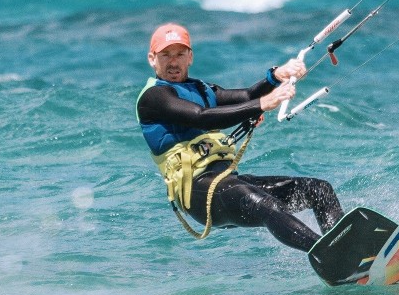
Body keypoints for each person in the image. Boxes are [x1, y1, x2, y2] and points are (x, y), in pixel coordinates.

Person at [136, 23, 344, 252]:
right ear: (152, 59)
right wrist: (263, 104)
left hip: (227, 182)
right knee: (268, 206)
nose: (173, 62)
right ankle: (330, 255)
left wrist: (276, 76)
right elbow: (201, 117)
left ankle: (348, 247)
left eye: (179, 54)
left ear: (190, 57)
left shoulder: (203, 90)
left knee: (318, 190)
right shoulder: (154, 97)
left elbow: (245, 96)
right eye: (165, 55)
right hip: (200, 193)